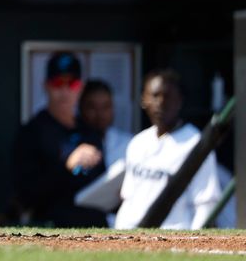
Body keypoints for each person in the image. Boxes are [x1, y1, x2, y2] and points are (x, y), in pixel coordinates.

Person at [115, 70, 221, 229]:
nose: (161, 103)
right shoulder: (137, 143)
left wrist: (193, 245)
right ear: (144, 99)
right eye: (155, 95)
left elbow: (205, 204)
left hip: (173, 236)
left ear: (180, 101)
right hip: (132, 235)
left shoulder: (196, 144)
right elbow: (128, 198)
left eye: (168, 96)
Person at [12, 51, 107, 227]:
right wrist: (67, 166)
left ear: (80, 87)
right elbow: (26, 195)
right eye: (58, 83)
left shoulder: (89, 132)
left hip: (95, 224)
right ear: (47, 86)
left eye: (71, 83)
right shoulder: (32, 132)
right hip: (51, 225)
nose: (64, 91)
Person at [78, 79, 132, 169]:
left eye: (106, 107)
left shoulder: (129, 144)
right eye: (92, 107)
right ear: (81, 108)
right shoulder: (71, 143)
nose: (100, 114)